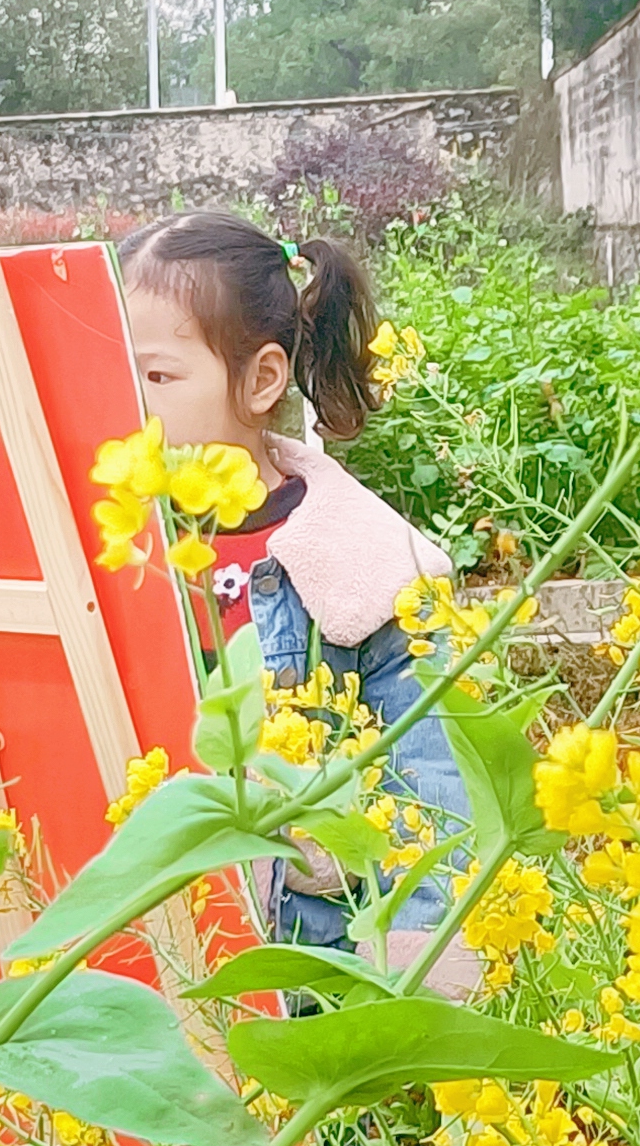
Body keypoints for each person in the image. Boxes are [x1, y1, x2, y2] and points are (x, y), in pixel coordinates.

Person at [117, 208, 475, 990]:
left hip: (311, 954)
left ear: (262, 379)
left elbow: (431, 783)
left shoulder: (369, 567)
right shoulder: (110, 543)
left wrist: (422, 976)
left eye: (156, 375)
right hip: (149, 937)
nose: (126, 401)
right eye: (110, 371)